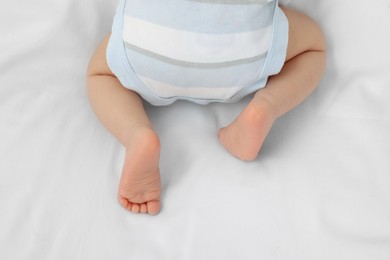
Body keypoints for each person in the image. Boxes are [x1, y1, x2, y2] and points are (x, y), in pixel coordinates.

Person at [87, 0, 326, 215]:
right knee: (313, 47)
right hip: (244, 50)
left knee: (100, 75)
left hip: (148, 46)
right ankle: (266, 106)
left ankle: (137, 136)